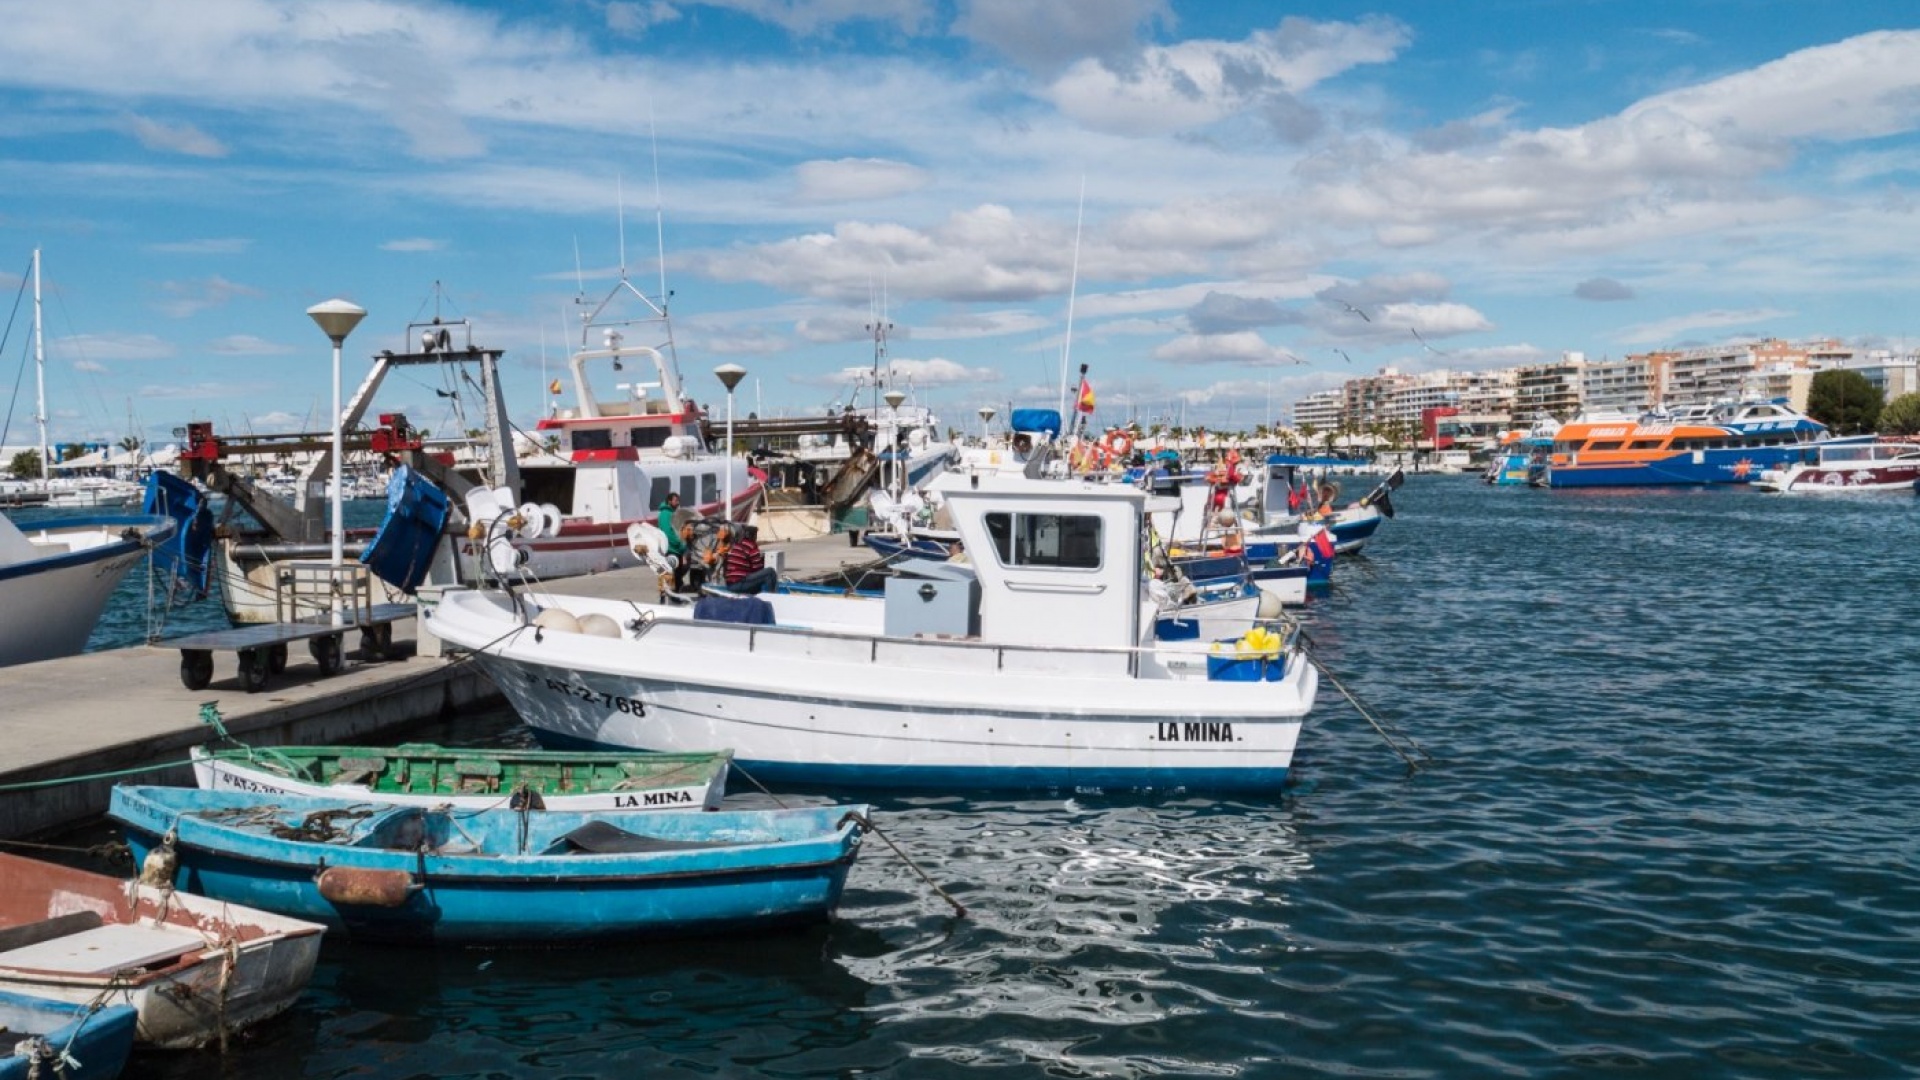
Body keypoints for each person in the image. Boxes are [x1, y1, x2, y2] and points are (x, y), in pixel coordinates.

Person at [723, 523, 779, 595]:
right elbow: (757, 568)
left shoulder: (737, 545)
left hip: (730, 585)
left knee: (757, 580)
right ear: (753, 536)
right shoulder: (752, 546)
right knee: (770, 572)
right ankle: (773, 597)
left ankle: (756, 595)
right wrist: (762, 562)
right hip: (740, 584)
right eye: (756, 535)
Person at [657, 492, 686, 595]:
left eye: (678, 500)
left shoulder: (670, 513)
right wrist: (680, 543)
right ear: (669, 501)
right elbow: (668, 533)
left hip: (673, 548)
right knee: (674, 572)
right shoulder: (666, 514)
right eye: (675, 500)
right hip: (672, 549)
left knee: (676, 573)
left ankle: (675, 591)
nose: (678, 502)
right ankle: (674, 594)